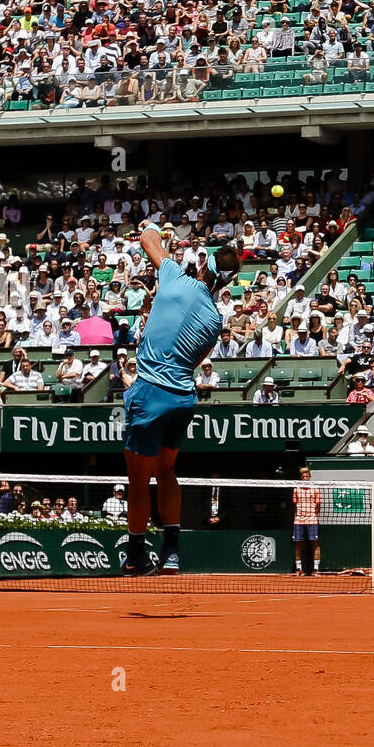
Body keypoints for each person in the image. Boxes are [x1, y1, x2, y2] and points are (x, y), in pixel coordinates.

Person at [122, 219, 238, 576]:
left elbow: (147, 238)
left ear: (204, 264)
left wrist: (158, 226)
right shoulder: (215, 320)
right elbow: (195, 360)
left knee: (139, 480)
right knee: (167, 470)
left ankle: (136, 554)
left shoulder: (174, 275)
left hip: (149, 394)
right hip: (182, 399)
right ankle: (171, 551)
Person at [291, 466, 321, 576]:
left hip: (312, 519)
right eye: (303, 477)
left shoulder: (315, 489)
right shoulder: (296, 489)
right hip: (299, 520)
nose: (305, 478)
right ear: (301, 477)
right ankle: (299, 569)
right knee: (298, 544)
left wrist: (312, 515)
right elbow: (295, 505)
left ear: (310, 477)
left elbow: (318, 506)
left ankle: (316, 569)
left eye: (306, 476)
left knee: (315, 543)